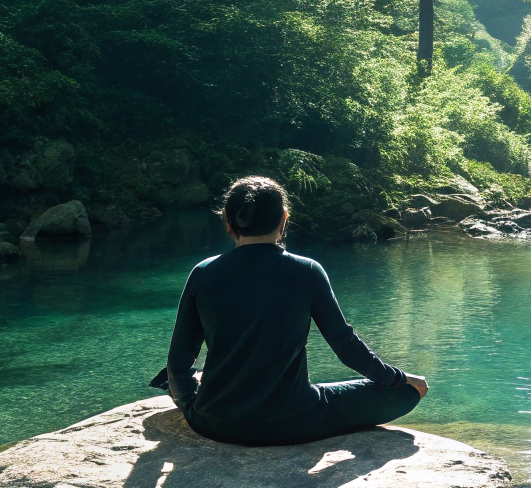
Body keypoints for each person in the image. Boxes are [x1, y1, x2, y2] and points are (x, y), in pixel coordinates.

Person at [159, 176, 426, 445]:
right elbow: (346, 347)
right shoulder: (307, 270)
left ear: (227, 221)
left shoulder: (203, 272)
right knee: (404, 393)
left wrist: (191, 405)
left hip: (213, 424)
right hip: (294, 422)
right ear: (284, 219)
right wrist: (398, 379)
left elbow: (178, 362)